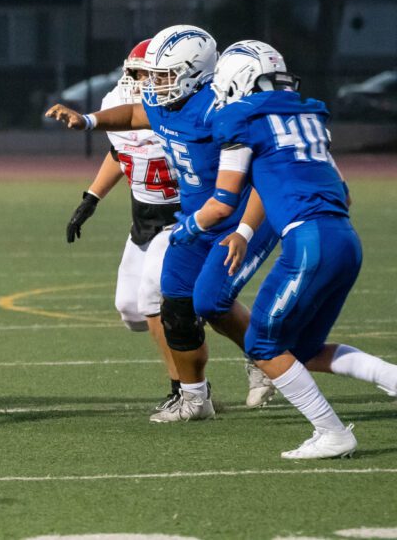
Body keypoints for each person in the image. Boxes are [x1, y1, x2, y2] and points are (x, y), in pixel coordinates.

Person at [46, 25, 278, 423]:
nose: (151, 84)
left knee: (211, 303)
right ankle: (194, 398)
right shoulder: (163, 102)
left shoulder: (219, 108)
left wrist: (243, 229)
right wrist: (87, 121)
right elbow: (137, 113)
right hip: (194, 220)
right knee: (174, 308)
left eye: (161, 75)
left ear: (194, 71)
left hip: (238, 217)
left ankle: (271, 363)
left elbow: (264, 174)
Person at [177, 39, 397, 458]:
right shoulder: (308, 118)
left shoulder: (239, 119)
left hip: (308, 242)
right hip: (344, 239)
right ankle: (391, 377)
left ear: (235, 80)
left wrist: (188, 226)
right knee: (305, 350)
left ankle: (332, 431)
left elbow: (222, 199)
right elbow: (339, 193)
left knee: (263, 346)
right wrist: (244, 230)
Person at [65, 39, 182, 412]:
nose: (135, 80)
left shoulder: (177, 108)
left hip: (182, 217)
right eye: (132, 72)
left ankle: (187, 388)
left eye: (146, 73)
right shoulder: (116, 102)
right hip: (144, 220)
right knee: (131, 311)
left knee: (155, 302)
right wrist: (91, 198)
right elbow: (121, 151)